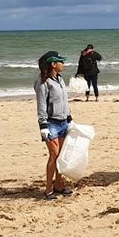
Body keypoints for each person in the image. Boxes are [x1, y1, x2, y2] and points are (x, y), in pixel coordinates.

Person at [34, 51, 74, 200]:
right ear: (53, 64)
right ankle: (48, 189)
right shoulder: (43, 82)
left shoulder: (60, 79)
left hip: (63, 122)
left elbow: (64, 101)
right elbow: (41, 105)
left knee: (61, 155)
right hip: (50, 124)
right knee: (54, 155)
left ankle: (59, 185)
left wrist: (70, 118)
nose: (63, 64)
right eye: (60, 61)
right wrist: (43, 125)